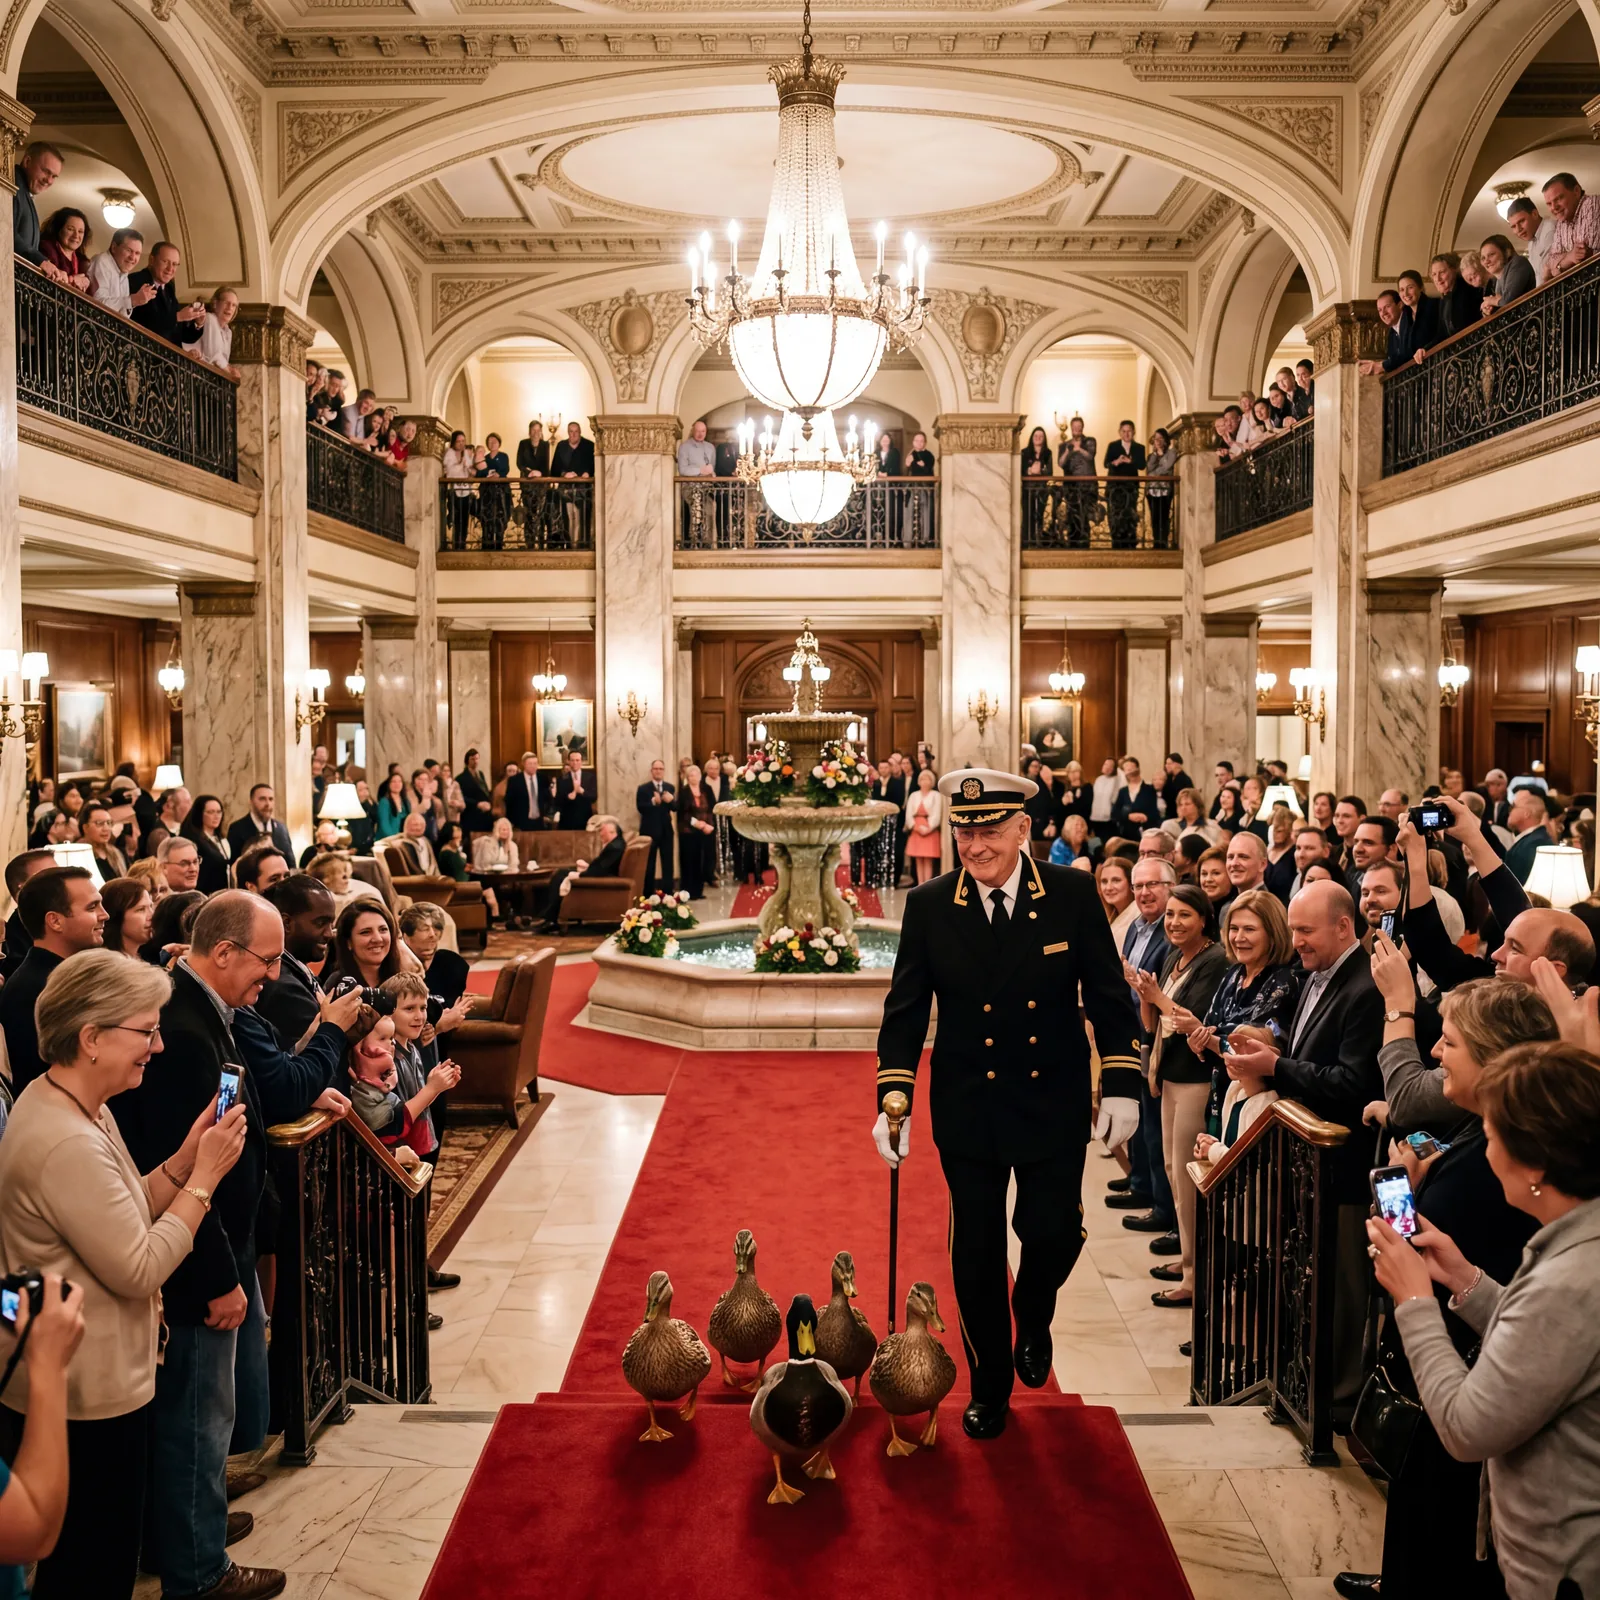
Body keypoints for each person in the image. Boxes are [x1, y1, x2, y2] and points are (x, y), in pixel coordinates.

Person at [872, 768, 1142, 1440]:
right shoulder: (932, 904)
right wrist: (893, 1097)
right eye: (965, 831)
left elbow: (1109, 999)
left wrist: (1125, 1084)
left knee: (1052, 1233)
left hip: (1051, 1098)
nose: (975, 844)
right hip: (969, 1103)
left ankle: (1037, 1304)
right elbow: (906, 1010)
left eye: (990, 830)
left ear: (1025, 829)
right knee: (977, 1249)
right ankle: (989, 1381)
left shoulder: (1072, 896)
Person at [0, 950, 248, 1599]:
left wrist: (182, 1159)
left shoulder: (79, 1103)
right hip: (82, 1391)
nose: (158, 1046)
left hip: (98, 1377)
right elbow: (138, 1267)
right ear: (90, 1037)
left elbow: (123, 1209)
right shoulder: (64, 1140)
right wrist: (206, 1179)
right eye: (145, 1031)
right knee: (92, 1569)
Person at [1339, 956, 1556, 1600]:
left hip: (1464, 1371)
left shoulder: (1508, 1156)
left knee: (1439, 1533)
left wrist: (1401, 1220)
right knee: (1414, 1520)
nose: (1435, 1052)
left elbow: (1443, 1259)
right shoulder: (1474, 1128)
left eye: (1450, 1043)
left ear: (1492, 1059)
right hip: (1446, 1358)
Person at [1365, 1039, 1600, 1600]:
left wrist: (1415, 1301)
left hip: (1562, 1568)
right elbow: (1546, 1349)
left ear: (1535, 1164)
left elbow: (1467, 1428)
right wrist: (1464, 1279)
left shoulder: (1571, 1278)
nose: (1484, 1150)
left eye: (1492, 1136)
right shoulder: (1577, 1240)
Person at [109, 896, 295, 1600]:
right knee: (197, 1418)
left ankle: (187, 1531)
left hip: (212, 1243)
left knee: (198, 1418)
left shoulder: (197, 1012)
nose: (273, 977)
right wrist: (220, 1277)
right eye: (267, 961)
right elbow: (187, 1164)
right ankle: (198, 1570)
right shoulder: (183, 1032)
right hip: (196, 1259)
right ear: (223, 953)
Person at [1227, 881, 1386, 1417]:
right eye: (1293, 929)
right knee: (1306, 1280)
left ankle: (1335, 1402)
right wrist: (1272, 1047)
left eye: (1305, 930)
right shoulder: (1314, 975)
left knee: (1341, 1292)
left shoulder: (1365, 989)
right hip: (1303, 1160)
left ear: (1345, 927)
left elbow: (1353, 1083)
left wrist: (1277, 1068)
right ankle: (1302, 1379)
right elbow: (1302, 1047)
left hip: (1341, 1163)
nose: (1296, 941)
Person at [1132, 883, 1228, 1306]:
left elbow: (1196, 1021)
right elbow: (1154, 1016)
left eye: (1184, 915)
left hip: (1195, 1077)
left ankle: (1196, 1277)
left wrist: (1154, 997)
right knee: (1173, 1168)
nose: (1173, 922)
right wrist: (1147, 1009)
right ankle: (1188, 1261)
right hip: (1169, 1071)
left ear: (1204, 919)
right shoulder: (1174, 956)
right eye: (1169, 915)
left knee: (1190, 1176)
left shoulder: (1214, 960)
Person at [0, 867, 107, 1097]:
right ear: (55, 921)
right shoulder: (36, 990)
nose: (104, 915)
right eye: (92, 907)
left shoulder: (67, 977)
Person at [536, 818, 626, 931]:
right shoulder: (616, 844)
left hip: (598, 879)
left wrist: (581, 874)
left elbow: (601, 870)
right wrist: (586, 868)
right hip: (597, 874)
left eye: (602, 831)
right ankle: (550, 916)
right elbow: (601, 866)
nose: (600, 834)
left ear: (612, 832)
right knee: (561, 873)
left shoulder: (614, 847)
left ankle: (550, 918)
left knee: (561, 874)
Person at [128, 241, 206, 348]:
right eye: (165, 261)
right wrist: (178, 316)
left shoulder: (169, 288)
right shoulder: (136, 281)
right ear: (152, 260)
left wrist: (198, 323)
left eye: (174, 264)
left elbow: (182, 336)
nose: (170, 269)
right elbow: (145, 325)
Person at [322, 900, 407, 992]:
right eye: (365, 932)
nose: (378, 939)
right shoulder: (337, 986)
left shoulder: (404, 982)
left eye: (383, 929)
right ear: (348, 942)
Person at [11, 142, 64, 280]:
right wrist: (40, 260)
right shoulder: (13, 184)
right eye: (46, 171)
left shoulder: (24, 191)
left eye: (54, 176)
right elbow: (5, 232)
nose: (49, 180)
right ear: (27, 161)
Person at [1542, 170, 1600, 279]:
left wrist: (1558, 266)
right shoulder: (1561, 222)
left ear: (1576, 191)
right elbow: (1550, 263)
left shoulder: (1592, 203)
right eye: (1549, 204)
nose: (1554, 207)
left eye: (1558, 199)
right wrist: (1569, 257)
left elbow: (1583, 255)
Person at [635, 759, 676, 896]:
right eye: (656, 769)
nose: (658, 771)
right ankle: (648, 894)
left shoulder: (670, 787)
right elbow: (640, 808)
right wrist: (653, 802)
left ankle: (668, 894)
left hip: (666, 831)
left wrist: (671, 801)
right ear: (652, 771)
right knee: (649, 865)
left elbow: (675, 808)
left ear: (664, 771)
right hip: (649, 831)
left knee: (668, 864)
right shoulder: (643, 788)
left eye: (660, 769)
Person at [1103, 420, 1146, 549]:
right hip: (1114, 488)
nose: (1127, 434)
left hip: (1131, 489)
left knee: (1130, 516)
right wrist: (1116, 462)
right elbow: (1106, 463)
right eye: (1124, 431)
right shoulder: (1113, 446)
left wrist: (1130, 461)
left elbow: (1142, 465)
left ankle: (1129, 545)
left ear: (1134, 432)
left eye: (1129, 431)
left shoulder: (1139, 448)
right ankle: (1116, 545)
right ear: (1120, 432)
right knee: (1115, 517)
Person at [676, 763, 716, 900]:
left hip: (704, 830)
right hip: (688, 831)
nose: (694, 777)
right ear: (688, 777)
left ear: (700, 776)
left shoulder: (707, 789)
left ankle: (698, 891)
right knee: (689, 860)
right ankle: (688, 892)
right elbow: (683, 813)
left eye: (697, 775)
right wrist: (697, 823)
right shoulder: (684, 791)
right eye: (691, 775)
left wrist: (709, 825)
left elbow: (712, 809)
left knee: (701, 860)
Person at [180, 794, 232, 895]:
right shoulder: (193, 840)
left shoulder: (222, 839)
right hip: (204, 892)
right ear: (200, 814)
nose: (216, 816)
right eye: (210, 812)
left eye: (219, 812)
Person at [226, 785, 291, 862]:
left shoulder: (282, 829)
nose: (267, 804)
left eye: (271, 799)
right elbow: (234, 865)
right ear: (251, 801)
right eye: (262, 799)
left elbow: (291, 863)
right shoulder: (237, 829)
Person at [1060, 416, 1098, 548]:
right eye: (1074, 427)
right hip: (1071, 488)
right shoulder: (1064, 445)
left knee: (1085, 519)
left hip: (1088, 487)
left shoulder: (1090, 441)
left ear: (1082, 428)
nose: (1077, 429)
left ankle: (1084, 547)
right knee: (1072, 517)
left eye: (1079, 427)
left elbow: (1090, 456)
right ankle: (1072, 546)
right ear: (1071, 428)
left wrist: (1079, 449)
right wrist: (1067, 452)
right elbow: (1060, 463)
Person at [903, 767, 943, 885]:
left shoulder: (936, 795)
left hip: (930, 829)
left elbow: (937, 813)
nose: (924, 782)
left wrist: (929, 828)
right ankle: (920, 884)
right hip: (916, 828)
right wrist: (915, 826)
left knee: (928, 860)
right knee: (918, 860)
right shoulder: (914, 795)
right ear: (919, 781)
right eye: (922, 779)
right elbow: (908, 814)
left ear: (932, 782)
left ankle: (927, 885)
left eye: (927, 779)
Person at [1478, 234, 1535, 313]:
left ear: (1507, 252)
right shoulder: (1498, 279)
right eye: (1483, 258)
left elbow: (1508, 301)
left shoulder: (1518, 262)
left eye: (1491, 255)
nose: (1486, 261)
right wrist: (1489, 310)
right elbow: (1502, 305)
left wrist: (1491, 301)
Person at [101, 878, 155, 960]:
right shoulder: (108, 965)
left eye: (151, 906)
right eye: (141, 909)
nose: (152, 915)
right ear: (116, 915)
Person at [39, 205, 91, 289]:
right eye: (70, 229)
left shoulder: (82, 261)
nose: (76, 235)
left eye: (80, 231)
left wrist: (86, 282)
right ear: (59, 229)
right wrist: (71, 280)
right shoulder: (46, 248)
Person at [195, 286, 240, 380]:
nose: (230, 308)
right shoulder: (209, 319)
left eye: (233, 305)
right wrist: (230, 372)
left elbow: (222, 360)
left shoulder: (228, 332)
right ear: (215, 303)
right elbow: (213, 355)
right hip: (199, 377)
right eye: (226, 303)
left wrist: (229, 369)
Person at [1111, 756, 1159, 841]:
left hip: (1145, 834)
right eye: (1126, 769)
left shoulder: (1149, 789)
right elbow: (1115, 813)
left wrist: (1145, 817)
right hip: (1125, 835)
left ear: (1138, 769)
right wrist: (1128, 816)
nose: (1129, 772)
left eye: (1131, 768)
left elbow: (1155, 813)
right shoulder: (1123, 791)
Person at [1145, 428, 1177, 549]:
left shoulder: (1171, 453)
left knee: (1163, 516)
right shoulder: (1151, 456)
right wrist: (1155, 454)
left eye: (1160, 438)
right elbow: (1149, 468)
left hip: (1164, 489)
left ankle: (1163, 541)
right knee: (1154, 517)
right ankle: (1156, 541)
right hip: (1152, 490)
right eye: (1155, 439)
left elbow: (1167, 467)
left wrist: (1153, 474)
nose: (1157, 441)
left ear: (1165, 440)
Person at [550, 748, 596, 830]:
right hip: (567, 822)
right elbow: (557, 802)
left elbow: (594, 797)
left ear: (581, 761)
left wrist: (582, 792)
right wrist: (568, 797)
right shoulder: (561, 779)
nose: (575, 763)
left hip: (585, 820)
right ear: (568, 761)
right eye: (572, 760)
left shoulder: (590, 777)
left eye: (577, 760)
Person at [904, 430, 936, 547]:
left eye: (921, 441)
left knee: (925, 513)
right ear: (913, 442)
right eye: (917, 441)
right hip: (911, 488)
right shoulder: (910, 455)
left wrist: (915, 460)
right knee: (909, 512)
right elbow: (906, 470)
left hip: (925, 488)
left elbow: (927, 469)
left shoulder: (929, 455)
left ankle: (925, 540)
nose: (919, 443)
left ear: (925, 443)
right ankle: (908, 541)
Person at [456, 748, 495, 837]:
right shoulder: (461, 778)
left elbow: (484, 791)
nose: (475, 761)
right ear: (467, 761)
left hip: (485, 815)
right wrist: (477, 804)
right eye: (472, 759)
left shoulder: (480, 774)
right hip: (471, 815)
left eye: (477, 759)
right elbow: (461, 798)